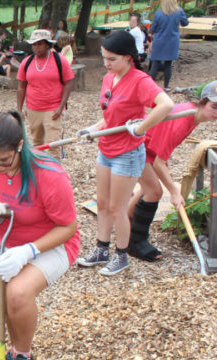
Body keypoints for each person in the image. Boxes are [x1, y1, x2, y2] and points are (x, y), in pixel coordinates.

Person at [0, 110, 79, 360]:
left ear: (19, 146)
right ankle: (12, 352)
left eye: (4, 161)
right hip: (7, 242)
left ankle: (23, 357)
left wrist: (29, 251)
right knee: (5, 298)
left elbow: (68, 227)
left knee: (18, 292)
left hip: (51, 244)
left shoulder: (48, 174)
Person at [76, 31, 174, 276]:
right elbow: (110, 116)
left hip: (127, 153)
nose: (106, 64)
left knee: (117, 207)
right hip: (106, 149)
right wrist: (94, 129)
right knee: (102, 203)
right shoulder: (110, 78)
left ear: (128, 57)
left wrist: (140, 128)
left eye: (112, 59)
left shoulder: (140, 80)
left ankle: (121, 255)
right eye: (104, 58)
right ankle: (101, 249)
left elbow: (166, 105)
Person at [127, 80, 217, 261]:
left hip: (147, 147)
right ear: (202, 102)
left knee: (147, 188)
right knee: (155, 191)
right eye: (215, 106)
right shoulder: (183, 119)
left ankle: (126, 225)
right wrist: (174, 192)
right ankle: (135, 242)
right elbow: (160, 163)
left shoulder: (194, 114)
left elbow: (162, 154)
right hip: (134, 146)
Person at [17, 29, 75, 159]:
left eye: (40, 44)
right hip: (33, 109)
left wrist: (61, 107)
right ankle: (40, 174)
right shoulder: (27, 62)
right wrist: (19, 109)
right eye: (34, 45)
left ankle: (54, 175)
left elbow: (68, 83)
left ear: (48, 45)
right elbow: (21, 86)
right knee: (37, 145)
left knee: (53, 145)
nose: (36, 48)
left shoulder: (60, 60)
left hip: (53, 109)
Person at [149, 0, 189, 92]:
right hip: (172, 42)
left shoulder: (158, 13)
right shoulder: (179, 12)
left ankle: (149, 86)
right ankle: (166, 86)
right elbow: (185, 23)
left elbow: (153, 28)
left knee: (155, 64)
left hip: (159, 41)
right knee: (168, 64)